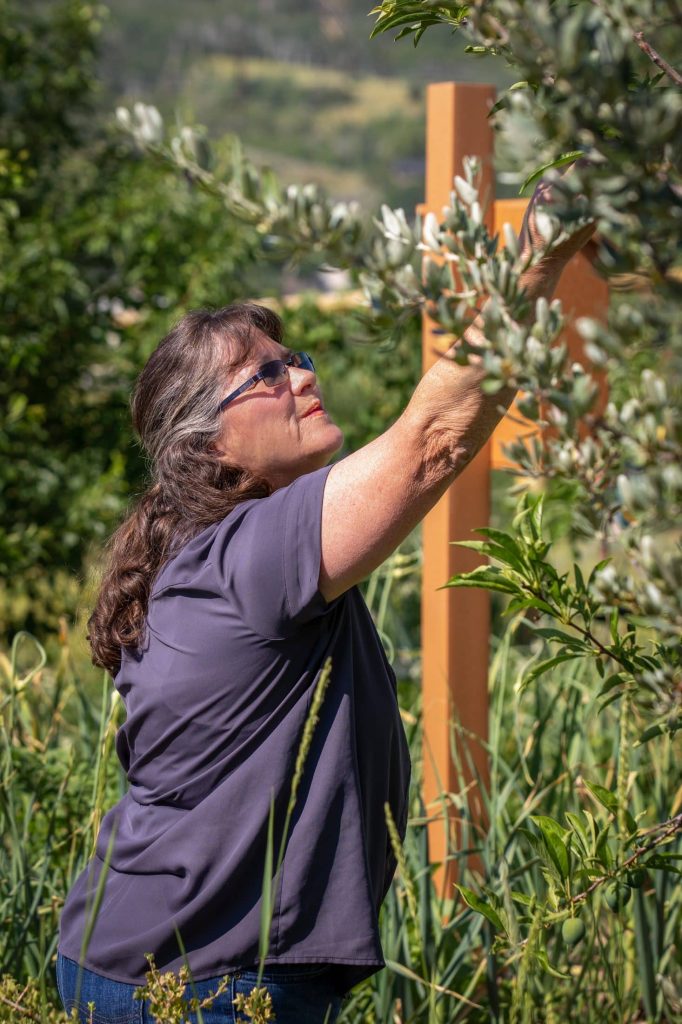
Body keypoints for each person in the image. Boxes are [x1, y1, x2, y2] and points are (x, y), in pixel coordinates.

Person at [55, 182, 596, 1024]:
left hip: (146, 963)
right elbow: (431, 443)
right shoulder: (253, 555)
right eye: (266, 374)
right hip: (201, 987)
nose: (302, 376)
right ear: (211, 443)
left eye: (294, 357)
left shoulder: (197, 555)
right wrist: (544, 248)